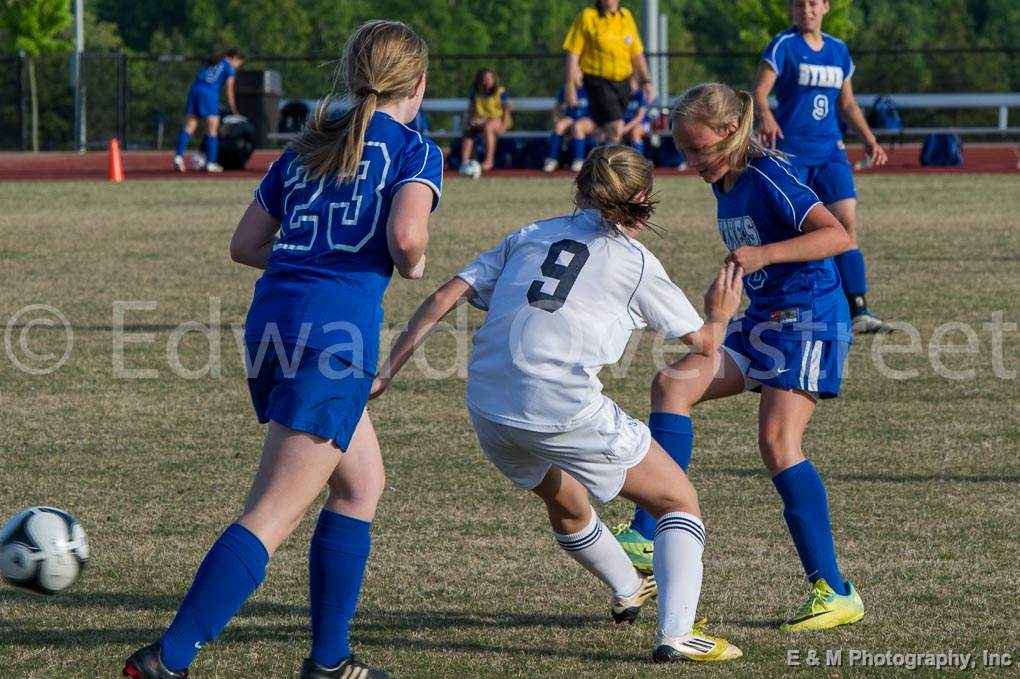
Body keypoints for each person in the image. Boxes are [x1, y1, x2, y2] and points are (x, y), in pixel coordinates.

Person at [124, 20, 442, 679]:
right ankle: (167, 658)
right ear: (418, 83)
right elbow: (408, 237)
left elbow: (245, 245)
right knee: (275, 511)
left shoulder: (307, 145)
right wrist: (408, 264)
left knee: (361, 484)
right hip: (334, 338)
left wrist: (313, 253)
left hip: (270, 330)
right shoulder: (413, 148)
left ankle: (329, 660)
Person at [372, 145, 744, 663]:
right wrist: (721, 312)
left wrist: (387, 371)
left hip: (488, 405)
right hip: (560, 406)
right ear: (643, 197)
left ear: (581, 190)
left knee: (567, 502)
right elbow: (704, 344)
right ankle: (677, 635)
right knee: (678, 501)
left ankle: (627, 588)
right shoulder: (636, 262)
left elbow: (444, 296)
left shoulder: (531, 233)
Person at [617, 82, 864, 633]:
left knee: (778, 444)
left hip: (808, 318)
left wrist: (764, 254)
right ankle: (646, 529)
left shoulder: (767, 175)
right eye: (685, 151)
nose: (693, 161)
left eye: (700, 149)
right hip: (764, 320)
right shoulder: (724, 180)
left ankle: (835, 590)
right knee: (672, 385)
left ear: (730, 131)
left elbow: (838, 237)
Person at [752, 0, 893, 334]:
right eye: (799, 5)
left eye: (813, 4)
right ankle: (793, 308)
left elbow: (846, 103)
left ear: (826, 7)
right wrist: (767, 115)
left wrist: (870, 139)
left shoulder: (838, 50)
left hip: (831, 153)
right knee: (797, 232)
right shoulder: (784, 45)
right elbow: (759, 91)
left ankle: (858, 310)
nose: (806, 10)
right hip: (792, 156)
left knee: (847, 225)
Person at [562, 0, 654, 145]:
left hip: (623, 82)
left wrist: (646, 81)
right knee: (616, 127)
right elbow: (573, 53)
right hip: (598, 80)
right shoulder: (588, 17)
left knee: (608, 130)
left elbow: (637, 53)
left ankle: (603, 161)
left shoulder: (626, 17)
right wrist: (570, 85)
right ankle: (612, 164)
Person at [174, 48, 245, 174]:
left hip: (195, 89)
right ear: (235, 59)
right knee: (212, 130)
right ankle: (211, 163)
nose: (239, 67)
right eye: (240, 63)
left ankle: (178, 157)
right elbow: (229, 89)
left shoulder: (213, 60)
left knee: (189, 127)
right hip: (210, 93)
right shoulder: (229, 67)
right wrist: (233, 107)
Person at [459, 68, 512, 176]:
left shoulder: (501, 92)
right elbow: (471, 110)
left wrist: (504, 125)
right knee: (469, 130)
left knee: (488, 127)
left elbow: (506, 110)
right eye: (483, 79)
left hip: (497, 120)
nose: (485, 81)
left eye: (488, 79)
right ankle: (464, 162)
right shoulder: (475, 93)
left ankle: (489, 160)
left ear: (494, 80)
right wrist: (470, 122)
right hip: (480, 121)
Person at [543, 73, 596, 173]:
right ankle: (552, 160)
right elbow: (557, 107)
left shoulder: (590, 88)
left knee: (578, 127)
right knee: (559, 126)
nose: (573, 75)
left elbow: (599, 109)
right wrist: (556, 119)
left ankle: (579, 160)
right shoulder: (566, 89)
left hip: (588, 121)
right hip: (571, 119)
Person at [622, 75, 650, 156]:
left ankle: (638, 160)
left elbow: (639, 117)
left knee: (635, 132)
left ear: (636, 83)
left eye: (630, 83)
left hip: (642, 124)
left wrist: (627, 127)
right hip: (626, 125)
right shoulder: (624, 96)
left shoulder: (640, 95)